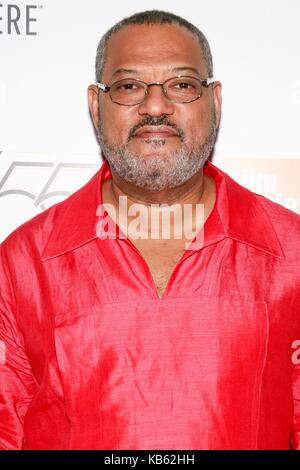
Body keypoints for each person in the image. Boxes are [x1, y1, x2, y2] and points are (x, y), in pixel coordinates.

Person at [0, 9, 300, 451]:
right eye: (128, 86)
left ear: (214, 101)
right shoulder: (22, 264)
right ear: (94, 104)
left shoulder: (291, 251)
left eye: (182, 85)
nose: (155, 106)